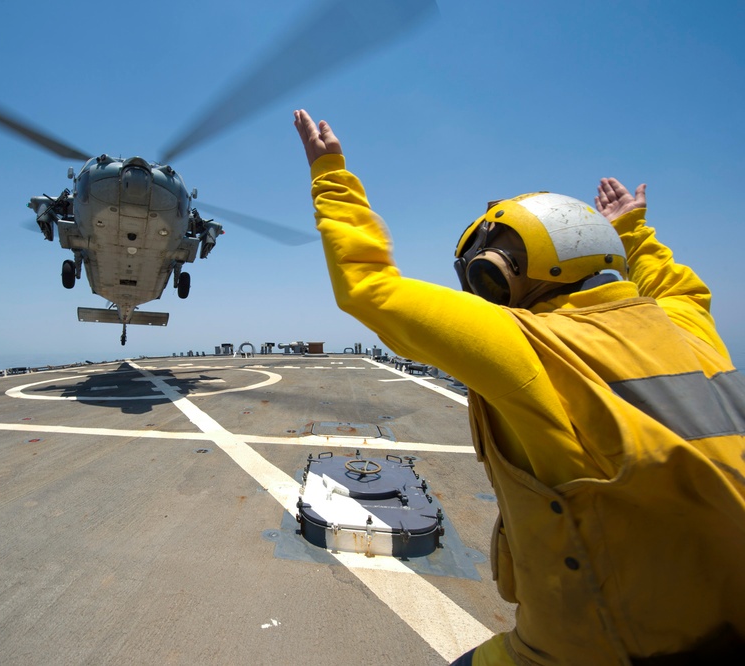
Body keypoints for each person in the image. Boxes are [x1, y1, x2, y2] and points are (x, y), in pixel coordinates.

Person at [293, 109, 745, 665]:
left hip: (602, 649)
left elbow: (370, 288)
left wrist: (330, 175)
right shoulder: (686, 320)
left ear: (499, 271)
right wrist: (631, 229)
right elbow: (674, 281)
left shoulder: (526, 343)